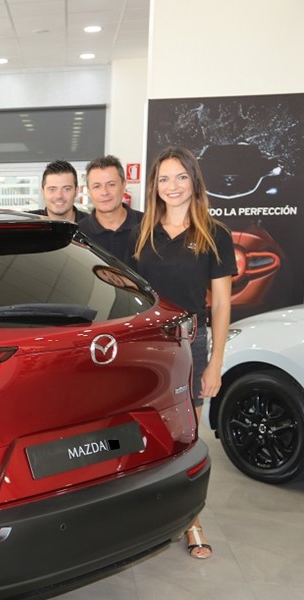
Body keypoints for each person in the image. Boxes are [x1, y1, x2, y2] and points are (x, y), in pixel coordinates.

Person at [131, 146, 237, 560]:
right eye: (163, 179)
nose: (171, 187)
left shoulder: (215, 233)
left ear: (194, 181)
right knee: (138, 432)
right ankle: (141, 514)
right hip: (142, 346)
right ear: (154, 187)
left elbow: (223, 304)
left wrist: (215, 362)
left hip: (189, 343)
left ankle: (191, 520)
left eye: (180, 177)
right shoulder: (141, 231)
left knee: (186, 436)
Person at [77, 155, 143, 261]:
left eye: (111, 184)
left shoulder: (149, 227)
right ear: (89, 191)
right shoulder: (78, 235)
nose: (104, 192)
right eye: (97, 186)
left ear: (123, 185)